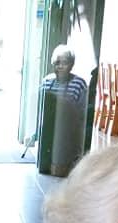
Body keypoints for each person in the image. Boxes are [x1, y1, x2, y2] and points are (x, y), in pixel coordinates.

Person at [31, 45, 89, 176]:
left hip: (69, 130)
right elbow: (41, 109)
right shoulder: (47, 81)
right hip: (49, 130)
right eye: (57, 63)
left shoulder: (79, 83)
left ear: (72, 65)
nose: (60, 67)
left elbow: (81, 113)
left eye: (65, 63)